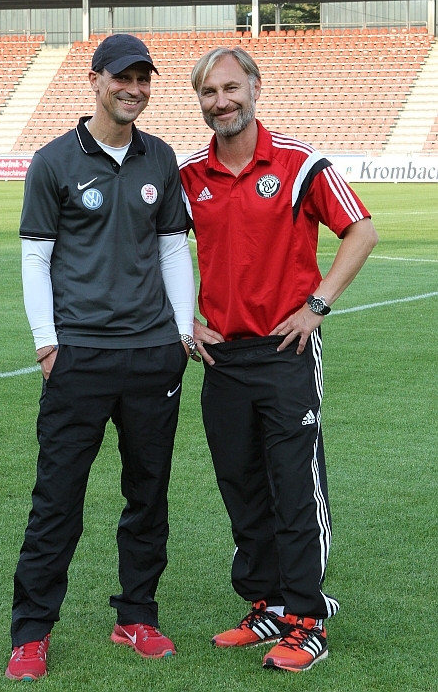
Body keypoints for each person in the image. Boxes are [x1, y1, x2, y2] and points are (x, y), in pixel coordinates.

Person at [6, 34, 199, 681]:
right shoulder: (54, 160)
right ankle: (32, 632)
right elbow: (36, 256)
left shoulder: (160, 157)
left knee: (148, 494)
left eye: (144, 79)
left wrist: (179, 333)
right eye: (123, 77)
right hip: (80, 357)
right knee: (57, 498)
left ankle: (136, 615)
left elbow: (172, 247)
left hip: (151, 356)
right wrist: (46, 341)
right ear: (95, 80)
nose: (134, 89)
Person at [178, 46, 378, 673]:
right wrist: (183, 321)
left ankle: (308, 620)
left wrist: (317, 305)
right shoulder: (189, 175)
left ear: (256, 88)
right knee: (241, 485)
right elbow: (154, 250)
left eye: (231, 88)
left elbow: (362, 231)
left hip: (286, 351)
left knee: (295, 486)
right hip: (221, 358)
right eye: (209, 93)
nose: (222, 102)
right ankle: (267, 605)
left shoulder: (299, 163)